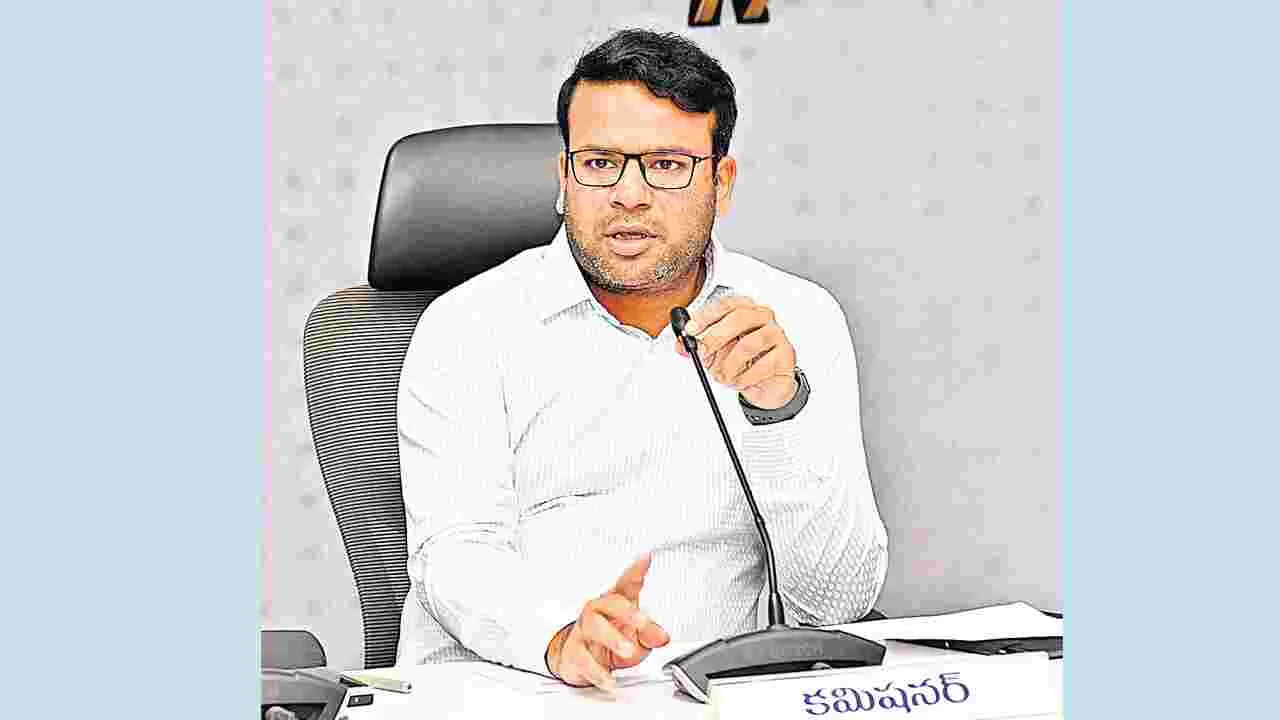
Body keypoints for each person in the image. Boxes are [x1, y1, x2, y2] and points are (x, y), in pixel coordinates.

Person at [395, 28, 888, 691]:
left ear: (722, 182)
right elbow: (455, 554)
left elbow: (837, 603)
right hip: (516, 690)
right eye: (600, 163)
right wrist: (557, 637)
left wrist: (780, 411)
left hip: (718, 697)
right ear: (563, 179)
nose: (629, 194)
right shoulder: (468, 327)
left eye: (666, 165)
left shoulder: (796, 321)